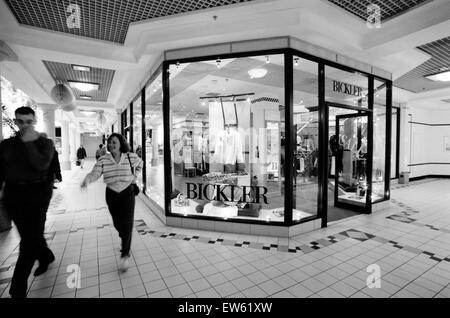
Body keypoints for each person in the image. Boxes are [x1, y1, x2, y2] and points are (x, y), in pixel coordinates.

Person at [0, 106, 56, 298]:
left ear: (35, 121)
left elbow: (41, 165)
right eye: (21, 122)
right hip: (14, 196)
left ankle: (17, 289)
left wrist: (29, 143)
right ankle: (46, 255)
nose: (25, 126)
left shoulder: (45, 143)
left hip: (38, 194)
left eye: (29, 122)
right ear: (15, 122)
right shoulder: (7, 145)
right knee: (31, 236)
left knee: (29, 241)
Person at [81, 133, 142, 272]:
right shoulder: (103, 159)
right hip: (112, 194)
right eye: (109, 142)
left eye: (114, 142)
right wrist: (88, 180)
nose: (111, 145)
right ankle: (124, 237)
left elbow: (140, 164)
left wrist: (134, 177)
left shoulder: (130, 156)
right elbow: (95, 173)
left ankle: (125, 253)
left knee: (127, 224)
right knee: (117, 223)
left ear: (121, 143)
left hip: (127, 193)